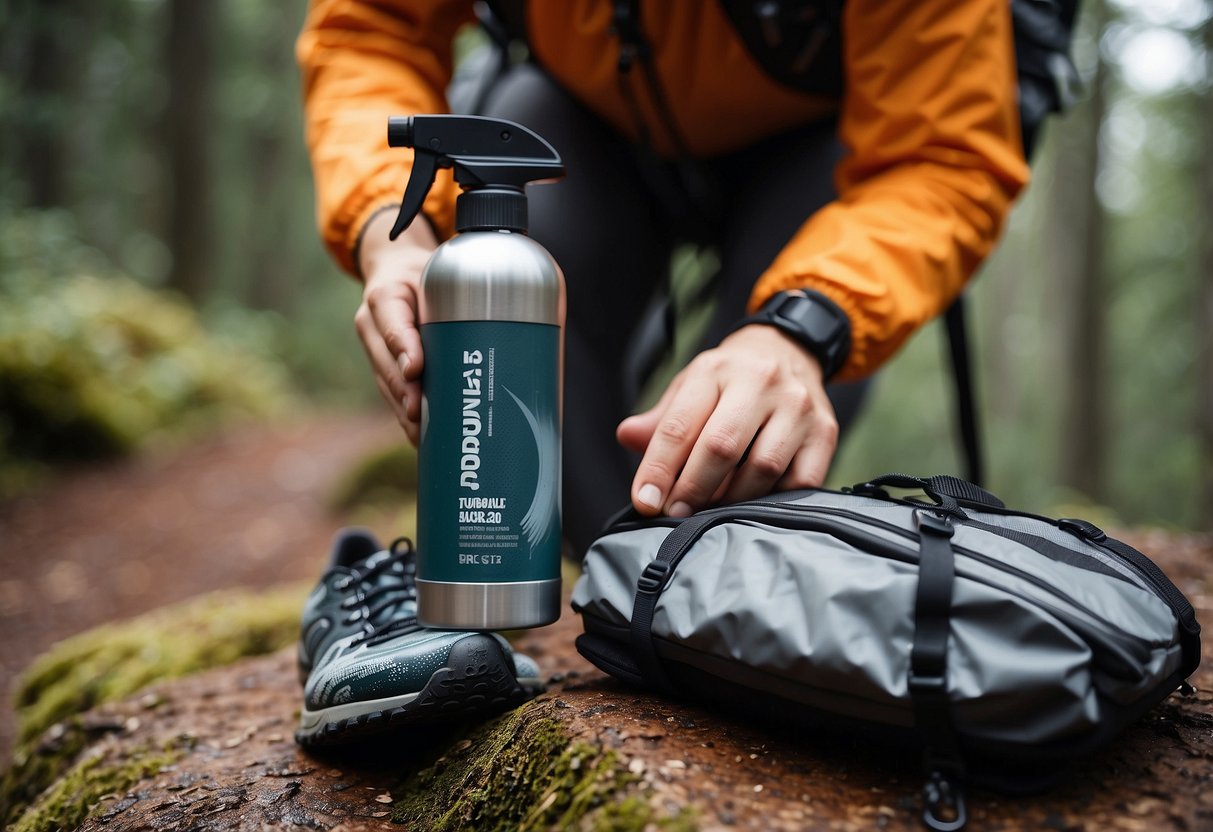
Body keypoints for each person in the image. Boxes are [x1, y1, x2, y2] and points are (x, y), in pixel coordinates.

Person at [292, 0, 1030, 746]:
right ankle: (603, 617)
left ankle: (703, 617)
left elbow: (943, 150)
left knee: (734, 465)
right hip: (580, 125)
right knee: (608, 539)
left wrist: (802, 329)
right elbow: (371, 25)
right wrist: (392, 228)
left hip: (824, 153)